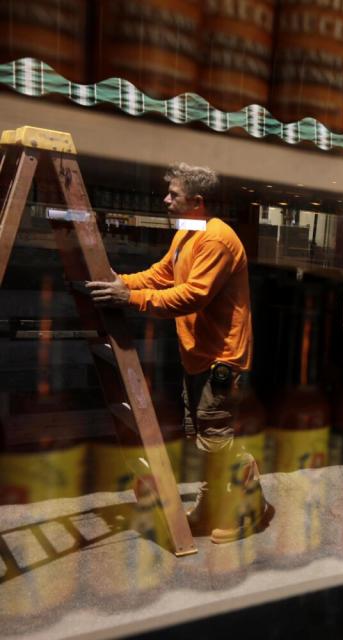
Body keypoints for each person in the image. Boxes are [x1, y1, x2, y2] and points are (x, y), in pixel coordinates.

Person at [86, 162, 271, 543]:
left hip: (222, 359)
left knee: (216, 440)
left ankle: (249, 506)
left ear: (197, 202)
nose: (166, 199)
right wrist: (121, 282)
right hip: (197, 355)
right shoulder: (189, 232)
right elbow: (162, 274)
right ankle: (212, 502)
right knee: (202, 438)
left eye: (174, 194)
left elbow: (191, 296)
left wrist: (130, 298)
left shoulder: (217, 239)